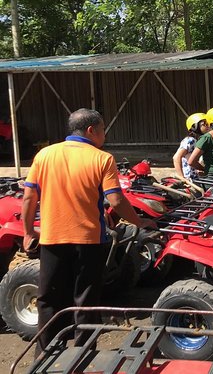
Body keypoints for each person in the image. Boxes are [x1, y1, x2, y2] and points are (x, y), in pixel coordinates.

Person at [21, 108, 153, 353]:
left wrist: (28, 232)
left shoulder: (45, 155)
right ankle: (83, 352)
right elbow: (116, 201)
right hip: (89, 241)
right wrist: (138, 221)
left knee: (49, 298)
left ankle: (46, 352)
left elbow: (29, 197)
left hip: (52, 239)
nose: (104, 135)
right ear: (92, 130)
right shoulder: (102, 158)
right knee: (86, 300)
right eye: (103, 130)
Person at [173, 112, 208, 180]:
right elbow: (176, 158)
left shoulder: (200, 140)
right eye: (204, 124)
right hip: (189, 179)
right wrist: (182, 177)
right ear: (195, 126)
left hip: (197, 178)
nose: (207, 126)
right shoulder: (190, 140)